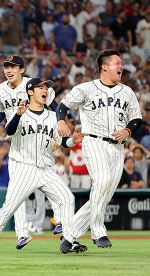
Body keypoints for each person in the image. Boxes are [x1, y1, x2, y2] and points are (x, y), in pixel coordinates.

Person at [0, 77, 83, 254]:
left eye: (46, 88)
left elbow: (61, 141)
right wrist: (19, 114)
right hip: (24, 168)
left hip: (45, 169)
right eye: (40, 88)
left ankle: (69, 240)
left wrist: (73, 140)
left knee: (67, 199)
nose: (45, 90)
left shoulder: (52, 117)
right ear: (30, 92)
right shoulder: (20, 112)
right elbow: (9, 131)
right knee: (9, 207)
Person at [57, 49, 142, 252]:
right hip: (94, 141)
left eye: (121, 63)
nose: (121, 66)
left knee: (102, 196)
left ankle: (69, 236)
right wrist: (60, 120)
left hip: (118, 148)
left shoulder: (127, 92)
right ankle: (98, 231)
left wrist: (128, 130)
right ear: (104, 66)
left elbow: (137, 118)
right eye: (117, 63)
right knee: (101, 181)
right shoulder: (86, 88)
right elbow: (63, 105)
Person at [0, 55, 57, 247]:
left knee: (50, 185)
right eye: (6, 66)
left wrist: (56, 136)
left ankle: (62, 222)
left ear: (22, 69)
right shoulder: (0, 89)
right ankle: (22, 233)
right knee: (17, 192)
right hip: (16, 144)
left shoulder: (35, 86)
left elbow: (55, 109)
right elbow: (1, 111)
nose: (9, 69)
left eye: (13, 66)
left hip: (37, 141)